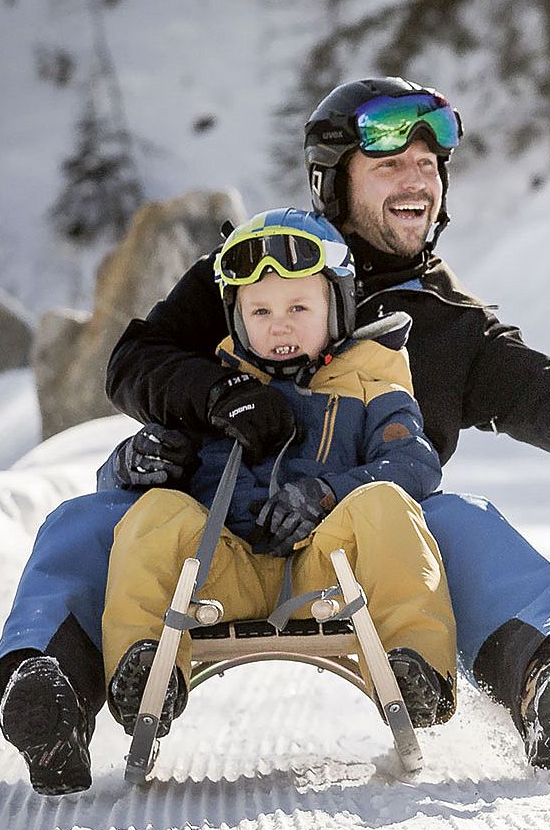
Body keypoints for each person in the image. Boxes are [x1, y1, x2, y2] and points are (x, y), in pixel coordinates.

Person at [0, 77, 550, 794]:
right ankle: (50, 693)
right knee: (88, 523)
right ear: (334, 181)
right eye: (389, 163)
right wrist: (220, 395)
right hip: (209, 528)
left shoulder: (447, 326)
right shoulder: (254, 272)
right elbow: (136, 361)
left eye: (428, 165)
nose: (417, 177)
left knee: (461, 524)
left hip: (361, 534)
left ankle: (545, 679)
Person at [96, 208, 457, 750]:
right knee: (154, 516)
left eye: (297, 307)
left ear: (337, 307)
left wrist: (328, 491)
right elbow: (114, 485)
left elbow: (415, 463)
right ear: (236, 319)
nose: (279, 325)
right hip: (222, 572)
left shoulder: (369, 377)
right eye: (259, 311)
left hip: (329, 572)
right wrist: (138, 459)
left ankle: (418, 669)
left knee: (385, 503)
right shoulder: (217, 388)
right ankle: (146, 669)